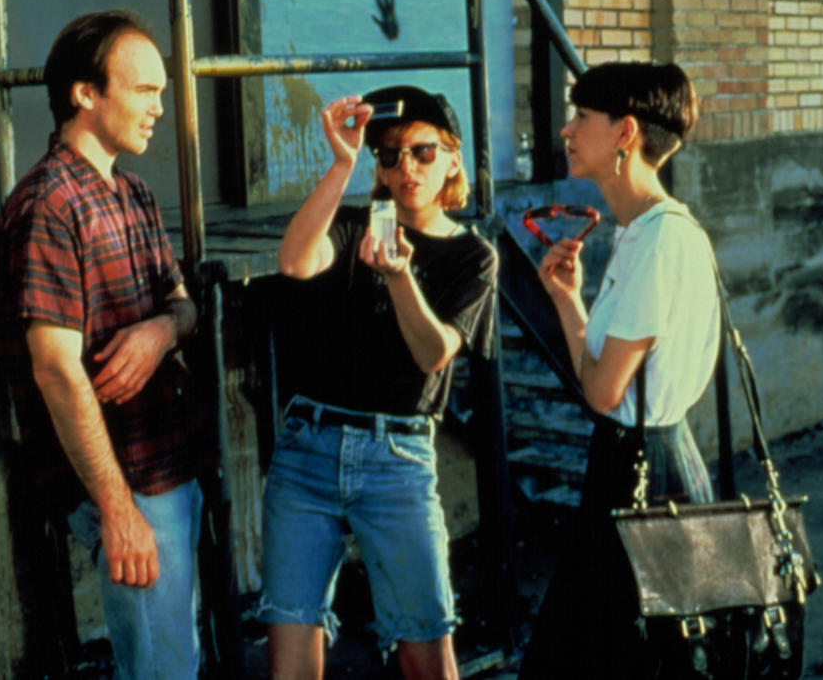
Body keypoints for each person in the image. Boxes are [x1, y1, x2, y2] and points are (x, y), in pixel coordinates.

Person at [0, 11, 209, 680]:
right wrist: (119, 512)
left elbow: (186, 304)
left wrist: (162, 328)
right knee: (161, 668)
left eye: (161, 92)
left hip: (171, 467)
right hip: (129, 484)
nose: (159, 108)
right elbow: (55, 370)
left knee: (177, 656)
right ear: (86, 93)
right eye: (144, 90)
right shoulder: (48, 205)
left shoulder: (133, 191)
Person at [260, 86, 498, 680]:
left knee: (427, 654)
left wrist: (398, 278)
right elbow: (293, 261)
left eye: (420, 152)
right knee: (291, 659)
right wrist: (343, 162)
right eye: (388, 156)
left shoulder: (473, 256)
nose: (405, 168)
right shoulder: (349, 225)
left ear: (451, 158)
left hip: (397, 458)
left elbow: (434, 353)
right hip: (306, 453)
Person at [518, 61, 719, 679]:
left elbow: (603, 390)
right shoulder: (652, 232)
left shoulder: (657, 241)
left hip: (640, 474)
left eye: (582, 117)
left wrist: (579, 328)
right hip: (650, 463)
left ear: (625, 132)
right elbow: (607, 382)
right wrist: (566, 301)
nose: (567, 130)